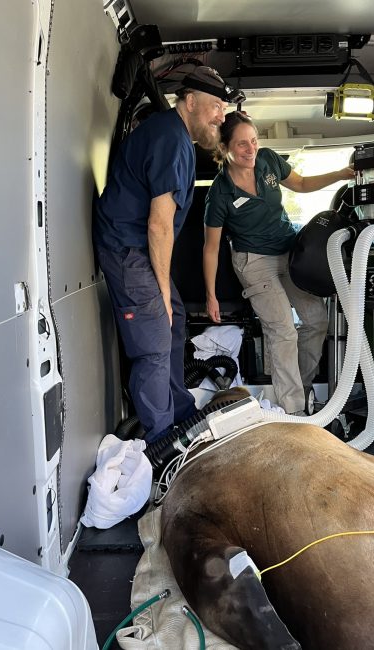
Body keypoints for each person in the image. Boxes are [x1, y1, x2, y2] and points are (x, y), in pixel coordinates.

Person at [93, 66, 244, 444]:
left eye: (224, 110)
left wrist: (165, 295)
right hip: (128, 250)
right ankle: (164, 444)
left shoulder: (173, 134)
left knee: (174, 318)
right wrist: (161, 288)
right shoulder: (172, 141)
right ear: (190, 102)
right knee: (156, 342)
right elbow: (159, 225)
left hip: (138, 250)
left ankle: (180, 412)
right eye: (215, 107)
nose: (221, 118)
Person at [203, 111, 354, 415]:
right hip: (254, 261)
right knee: (283, 330)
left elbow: (300, 184)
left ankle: (301, 388)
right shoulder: (219, 194)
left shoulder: (269, 160)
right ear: (225, 148)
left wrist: (339, 174)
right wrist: (211, 295)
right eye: (242, 144)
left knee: (316, 320)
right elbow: (211, 248)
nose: (251, 149)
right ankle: (296, 413)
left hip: (288, 250)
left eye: (254, 141)